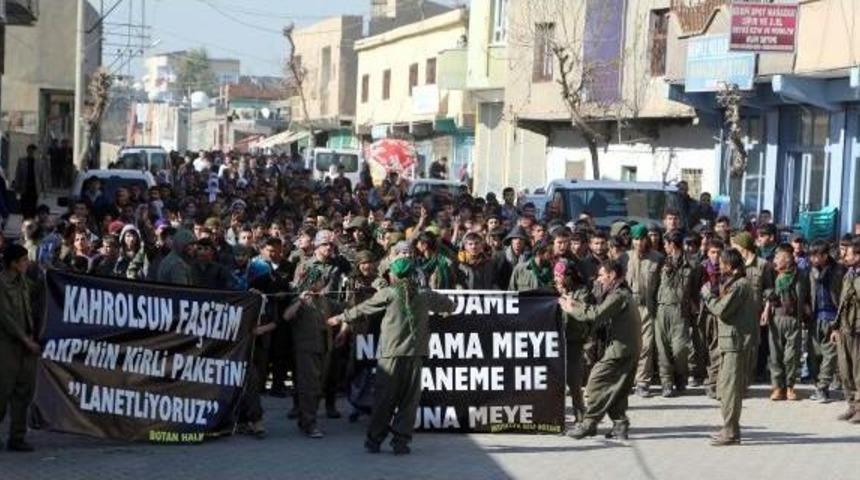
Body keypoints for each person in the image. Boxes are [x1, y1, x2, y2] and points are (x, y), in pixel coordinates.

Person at [327, 253, 456, 455]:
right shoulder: (424, 293)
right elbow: (450, 305)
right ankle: (401, 442)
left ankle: (374, 441)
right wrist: (445, 310)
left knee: (384, 400)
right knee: (408, 402)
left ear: (393, 276)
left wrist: (340, 318)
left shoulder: (388, 293)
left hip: (390, 356)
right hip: (415, 355)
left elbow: (363, 309)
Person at [561, 260, 642, 440]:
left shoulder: (619, 295)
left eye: (601, 275)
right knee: (617, 388)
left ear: (612, 275)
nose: (598, 280)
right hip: (626, 348)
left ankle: (589, 423)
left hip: (621, 349)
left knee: (596, 382)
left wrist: (571, 308)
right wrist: (575, 304)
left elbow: (596, 313)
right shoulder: (618, 293)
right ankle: (620, 425)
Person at [700, 248, 758, 446]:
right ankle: (730, 427)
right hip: (729, 343)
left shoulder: (740, 286)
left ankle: (731, 431)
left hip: (736, 343)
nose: (720, 265)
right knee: (724, 388)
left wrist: (708, 296)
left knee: (731, 390)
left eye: (723, 262)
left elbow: (721, 310)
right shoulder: (735, 284)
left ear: (731, 265)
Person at [0, 244, 40, 452]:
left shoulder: (23, 281)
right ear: (13, 263)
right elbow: (6, 319)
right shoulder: (2, 284)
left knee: (24, 393)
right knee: (3, 391)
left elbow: (40, 290)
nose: (27, 263)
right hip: (7, 346)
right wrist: (26, 340)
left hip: (26, 346)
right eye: (23, 260)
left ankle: (17, 437)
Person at [761, 245, 809, 401]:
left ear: (787, 260)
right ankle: (777, 387)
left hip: (793, 319)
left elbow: (805, 296)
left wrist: (805, 313)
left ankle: (790, 387)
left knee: (792, 356)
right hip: (776, 318)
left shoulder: (800, 275)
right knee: (775, 355)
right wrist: (766, 311)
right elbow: (769, 294)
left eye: (778, 258)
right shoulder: (774, 275)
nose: (775, 261)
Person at [655, 230, 698, 397]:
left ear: (672, 244)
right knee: (663, 349)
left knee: (680, 349)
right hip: (662, 308)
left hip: (680, 310)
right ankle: (666, 383)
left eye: (666, 244)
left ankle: (681, 376)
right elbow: (654, 287)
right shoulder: (661, 262)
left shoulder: (692, 264)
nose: (664, 247)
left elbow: (694, 290)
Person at [625, 224, 662, 397]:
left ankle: (642, 382)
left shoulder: (657, 258)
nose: (639, 242)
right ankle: (627, 380)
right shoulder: (625, 258)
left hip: (648, 307)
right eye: (636, 239)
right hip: (628, 307)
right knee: (629, 345)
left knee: (646, 345)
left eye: (642, 238)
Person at [555, 260, 592, 425]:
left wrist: (568, 301)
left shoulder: (582, 291)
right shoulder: (553, 289)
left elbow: (584, 311)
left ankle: (580, 415)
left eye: (559, 275)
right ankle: (555, 417)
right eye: (555, 275)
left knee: (574, 381)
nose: (556, 278)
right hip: (555, 342)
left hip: (574, 341)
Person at [808, 240, 844, 402]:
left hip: (832, 318)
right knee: (814, 355)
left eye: (817, 256)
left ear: (825, 255)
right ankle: (818, 385)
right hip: (815, 318)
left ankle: (823, 387)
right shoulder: (810, 271)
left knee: (829, 355)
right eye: (812, 256)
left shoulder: (839, 271)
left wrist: (840, 320)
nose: (813, 259)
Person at [832, 239, 860, 423]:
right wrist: (835, 327)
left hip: (858, 328)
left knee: (859, 370)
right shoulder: (848, 274)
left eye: (848, 254)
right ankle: (852, 404)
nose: (844, 256)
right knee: (845, 369)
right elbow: (842, 303)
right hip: (845, 327)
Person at [13, 144, 48, 219]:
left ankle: (31, 224)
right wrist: (16, 189)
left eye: (33, 151)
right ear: (27, 151)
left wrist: (45, 191)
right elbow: (18, 175)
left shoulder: (40, 162)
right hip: (24, 189)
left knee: (33, 209)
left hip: (34, 190)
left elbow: (42, 177)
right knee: (24, 209)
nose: (31, 153)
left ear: (35, 152)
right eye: (30, 151)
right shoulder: (22, 161)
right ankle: (25, 223)